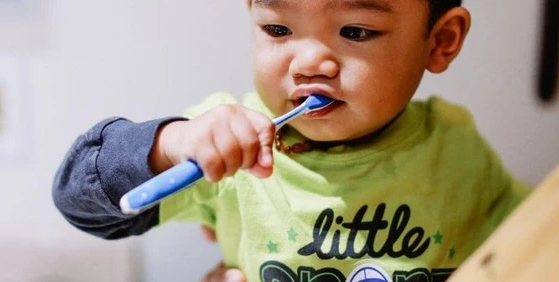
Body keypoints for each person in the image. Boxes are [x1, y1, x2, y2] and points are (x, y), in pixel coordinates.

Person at [52, 0, 530, 281]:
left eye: (355, 31)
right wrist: (170, 144)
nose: (308, 63)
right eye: (278, 28)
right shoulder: (223, 144)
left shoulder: (456, 148)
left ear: (440, 41)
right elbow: (79, 200)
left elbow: (539, 245)